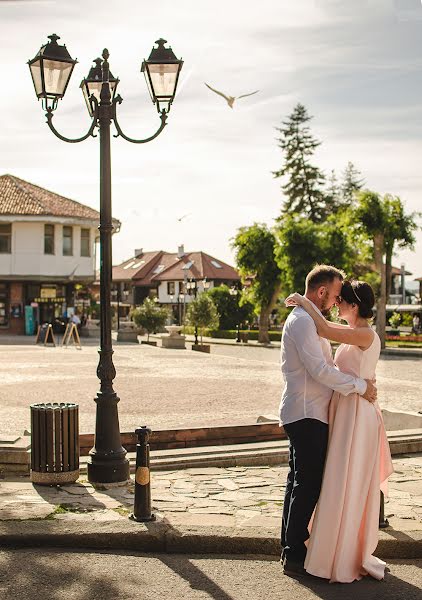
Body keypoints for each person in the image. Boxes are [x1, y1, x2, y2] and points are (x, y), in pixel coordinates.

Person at [285, 279, 393, 583]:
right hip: (346, 412)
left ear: (354, 305)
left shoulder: (363, 334)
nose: (336, 304)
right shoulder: (353, 336)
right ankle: (329, 550)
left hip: (357, 416)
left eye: (340, 300)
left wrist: (304, 302)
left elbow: (324, 330)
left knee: (345, 481)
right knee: (336, 480)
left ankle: (341, 553)